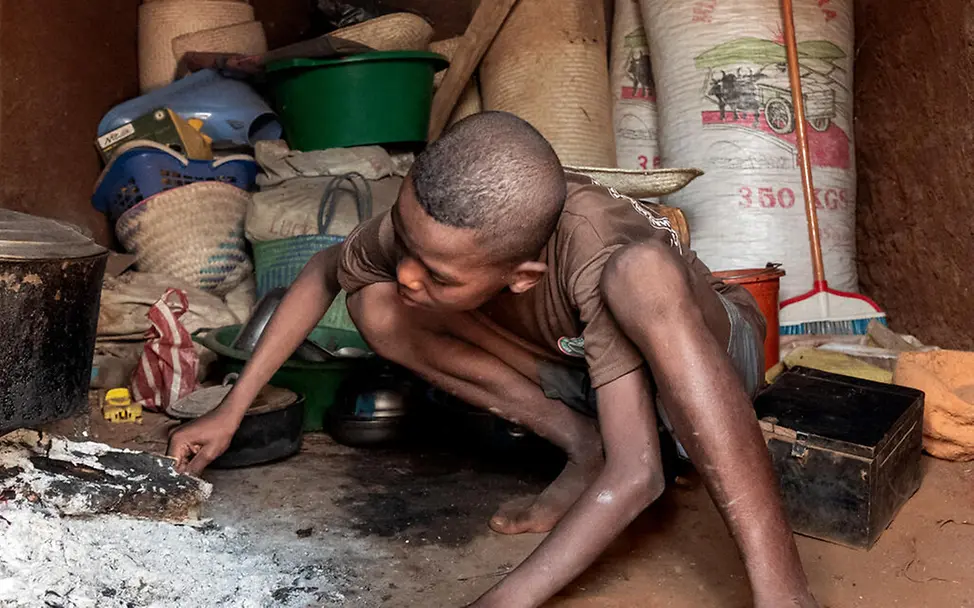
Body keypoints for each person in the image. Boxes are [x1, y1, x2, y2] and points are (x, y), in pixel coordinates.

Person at [168, 111, 817, 608]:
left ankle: (784, 592)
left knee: (640, 273)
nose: (412, 274)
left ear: (524, 275)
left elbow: (640, 475)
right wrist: (232, 408)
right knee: (376, 303)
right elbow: (321, 272)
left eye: (438, 274)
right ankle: (582, 445)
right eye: (408, 249)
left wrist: (503, 600)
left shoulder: (594, 251)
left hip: (708, 363)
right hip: (585, 369)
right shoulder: (427, 229)